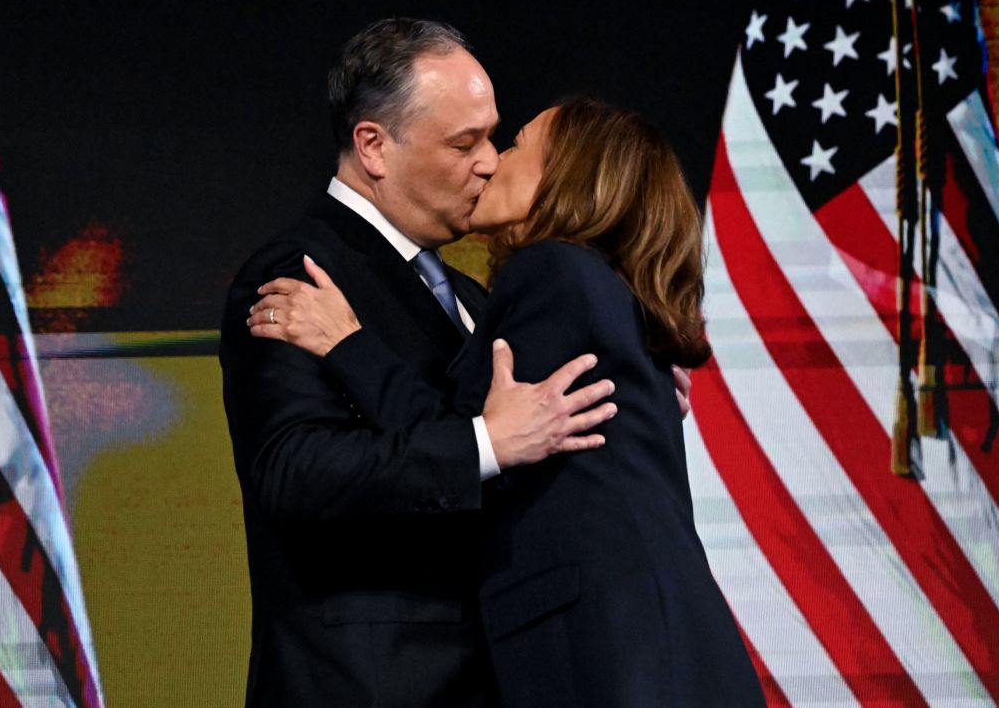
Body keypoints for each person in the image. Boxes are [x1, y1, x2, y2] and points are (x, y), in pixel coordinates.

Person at [248, 97, 764, 707]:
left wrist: (346, 344)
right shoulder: (605, 295)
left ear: (569, 177)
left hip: (615, 656)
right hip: (657, 647)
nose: (493, 163)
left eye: (516, 144)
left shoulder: (553, 271)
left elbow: (471, 439)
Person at [218, 20, 630, 708]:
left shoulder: (470, 296)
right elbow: (292, 473)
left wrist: (638, 376)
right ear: (373, 146)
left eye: (493, 137)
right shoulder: (301, 273)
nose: (492, 161)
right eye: (464, 143)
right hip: (369, 685)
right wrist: (483, 445)